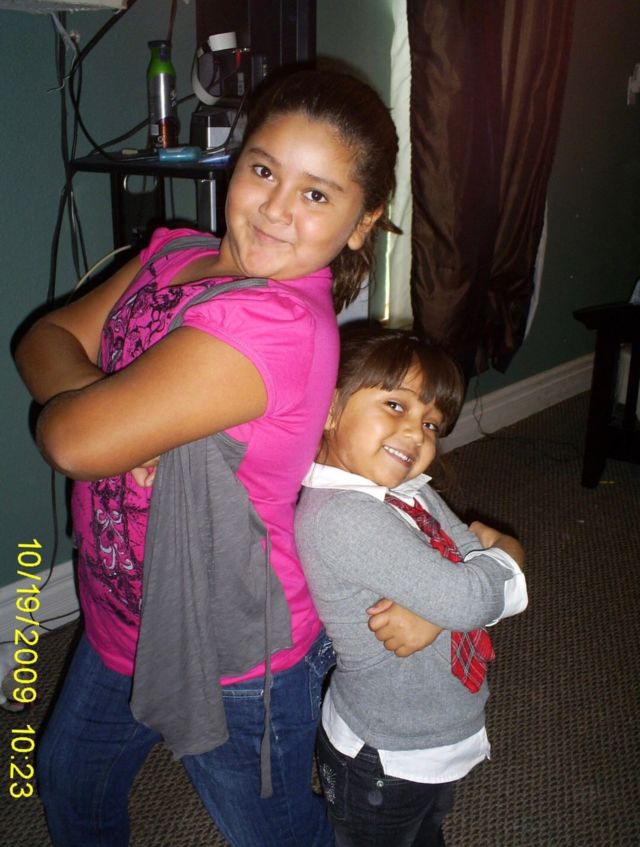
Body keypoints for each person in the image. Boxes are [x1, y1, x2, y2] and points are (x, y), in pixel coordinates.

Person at [14, 70, 401, 847]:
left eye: (316, 194)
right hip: (121, 613)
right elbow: (41, 340)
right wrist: (120, 414)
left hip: (230, 652)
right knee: (69, 780)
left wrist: (108, 421)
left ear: (362, 223)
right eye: (263, 169)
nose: (277, 208)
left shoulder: (277, 324)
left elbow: (70, 440)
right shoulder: (174, 252)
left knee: (277, 834)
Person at [295, 327, 529, 847]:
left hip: (431, 728)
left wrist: (439, 610)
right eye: (395, 405)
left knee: (427, 832)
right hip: (386, 752)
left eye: (431, 423)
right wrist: (510, 554)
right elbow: (470, 592)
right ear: (329, 408)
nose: (417, 434)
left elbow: (467, 568)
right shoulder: (343, 517)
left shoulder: (408, 490)